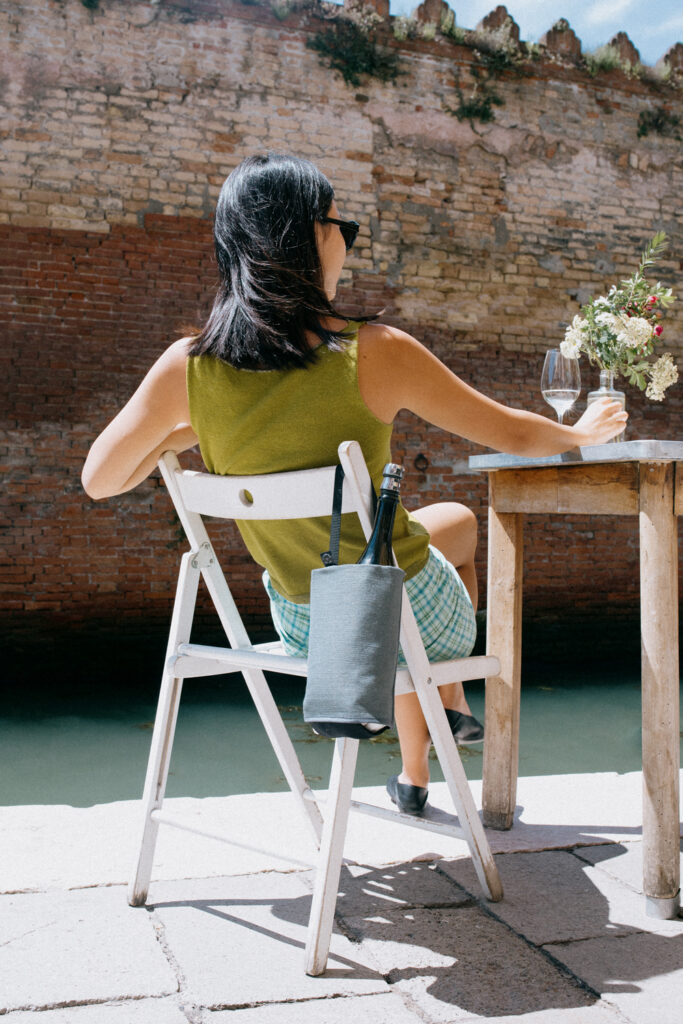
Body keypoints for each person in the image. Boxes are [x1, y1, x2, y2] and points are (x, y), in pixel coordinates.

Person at [82, 153, 627, 816]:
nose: (348, 242)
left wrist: (188, 430)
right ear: (310, 236)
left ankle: (422, 747)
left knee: (421, 546)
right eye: (344, 226)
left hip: (299, 623)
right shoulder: (374, 350)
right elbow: (513, 433)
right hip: (388, 620)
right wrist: (584, 432)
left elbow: (101, 480)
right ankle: (444, 703)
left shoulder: (186, 367)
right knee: (421, 560)